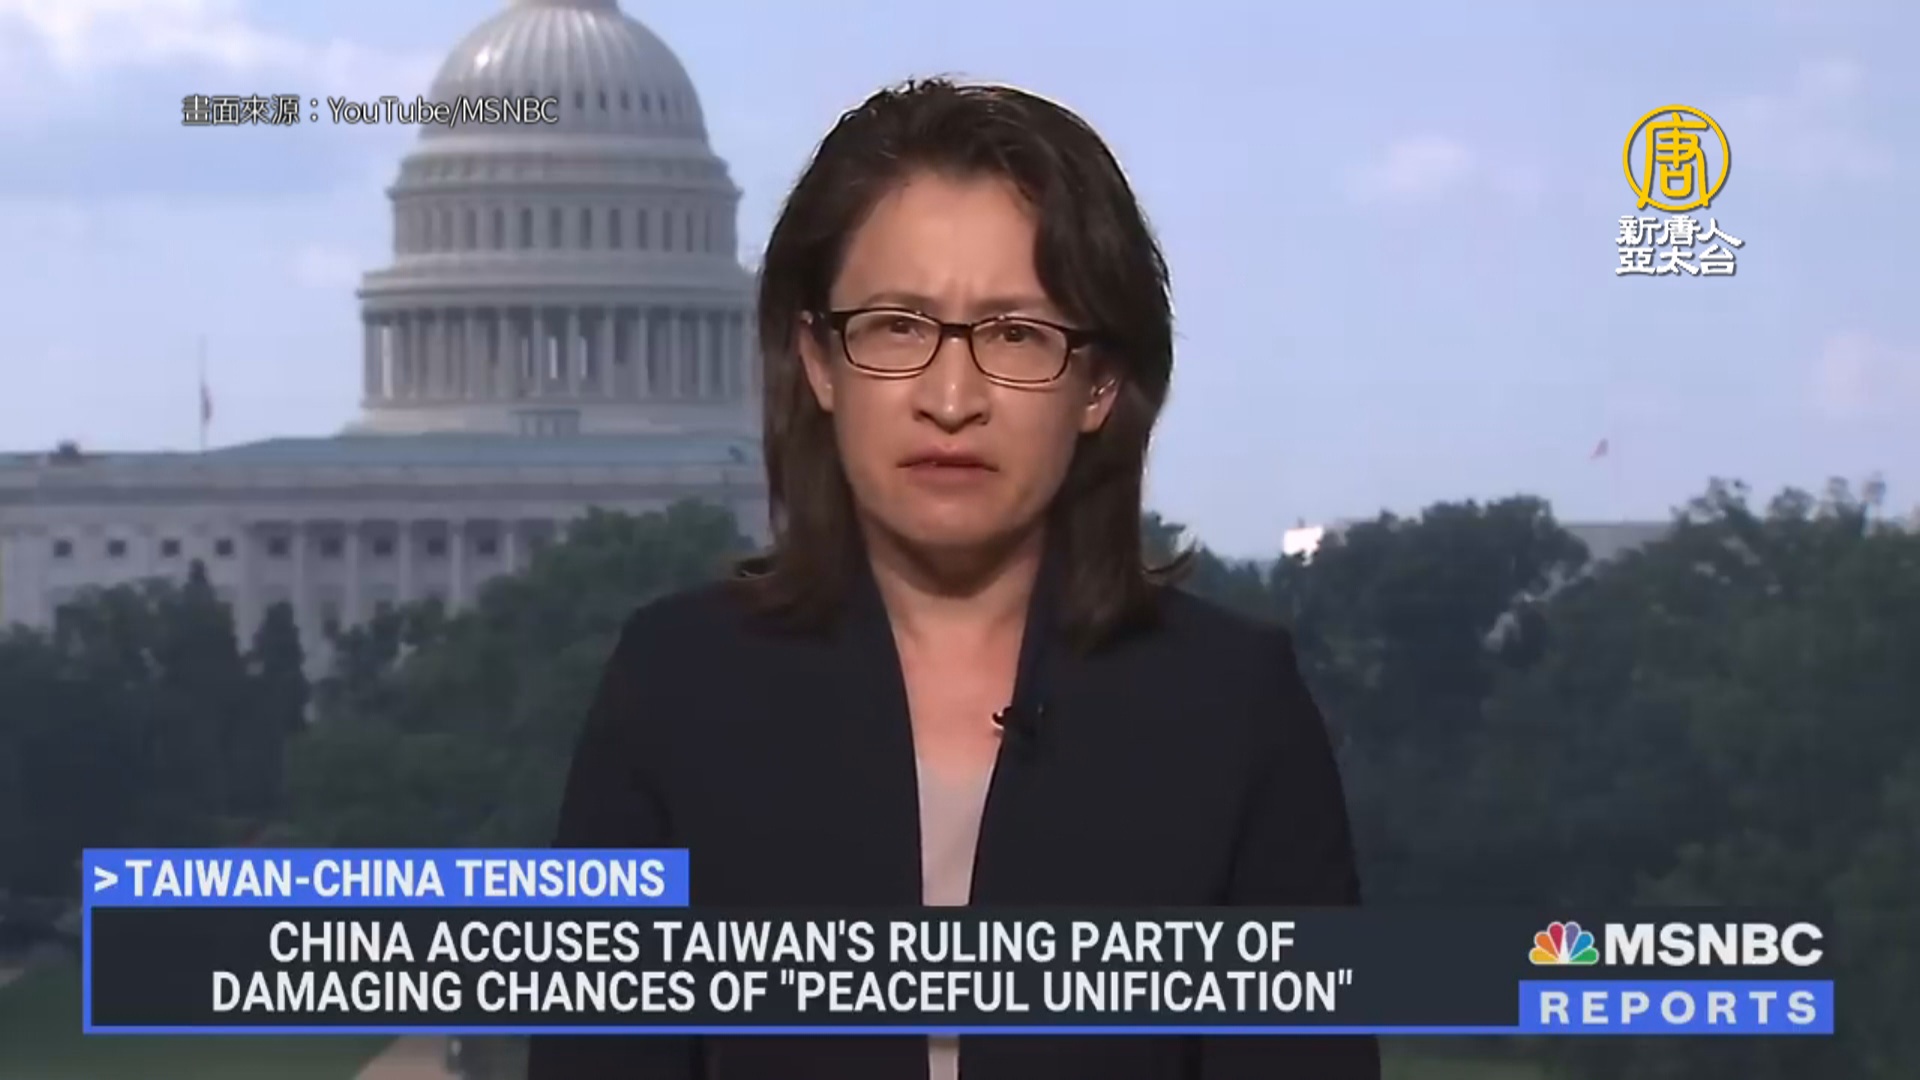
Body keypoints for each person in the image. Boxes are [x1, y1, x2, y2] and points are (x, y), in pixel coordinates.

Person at [528, 78, 1379, 1080]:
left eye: (1017, 334)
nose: (950, 396)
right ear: (819, 360)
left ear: (1100, 383)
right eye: (897, 325)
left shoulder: (1234, 712)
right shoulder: (676, 688)